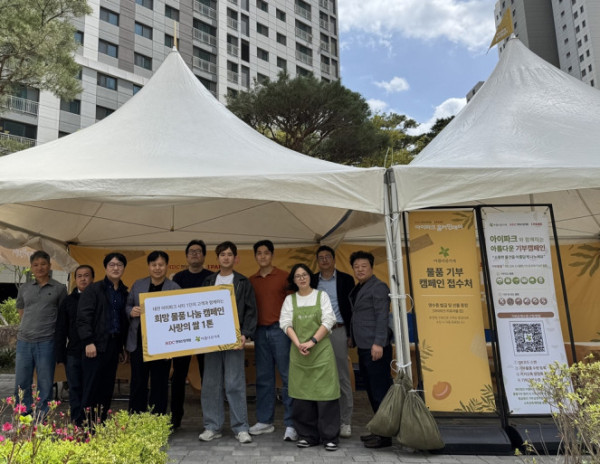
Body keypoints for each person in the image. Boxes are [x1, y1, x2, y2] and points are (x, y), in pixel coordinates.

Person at [199, 241, 257, 444]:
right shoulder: (208, 281)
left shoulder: (242, 282)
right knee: (211, 383)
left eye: (229, 254)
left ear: (235, 258)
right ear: (217, 258)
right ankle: (212, 426)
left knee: (234, 383)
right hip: (211, 339)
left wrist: (245, 334)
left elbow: (250, 310)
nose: (226, 257)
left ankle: (241, 428)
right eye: (222, 254)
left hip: (234, 338)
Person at [279, 263, 340, 452]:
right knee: (302, 396)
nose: (302, 278)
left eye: (304, 274)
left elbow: (329, 320)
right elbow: (285, 323)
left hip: (321, 352)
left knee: (326, 395)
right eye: (297, 276)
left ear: (310, 277)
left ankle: (329, 437)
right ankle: (307, 435)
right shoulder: (290, 299)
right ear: (294, 280)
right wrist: (299, 343)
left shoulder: (321, 296)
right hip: (299, 352)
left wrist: (312, 341)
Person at [248, 240, 296, 441]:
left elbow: (293, 304)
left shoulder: (284, 277)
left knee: (288, 377)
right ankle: (265, 421)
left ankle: (292, 424)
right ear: (255, 256)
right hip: (260, 332)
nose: (262, 256)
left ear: (272, 255)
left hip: (281, 331)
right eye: (259, 253)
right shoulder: (251, 280)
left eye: (266, 253)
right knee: (264, 378)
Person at [126, 251, 180, 415]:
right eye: (154, 265)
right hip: (139, 342)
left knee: (160, 383)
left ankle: (157, 420)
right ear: (149, 266)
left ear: (167, 266)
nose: (157, 268)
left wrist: (172, 347)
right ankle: (136, 418)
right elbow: (127, 305)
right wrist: (131, 311)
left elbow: (179, 317)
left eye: (161, 265)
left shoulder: (174, 288)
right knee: (138, 382)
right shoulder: (138, 284)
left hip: (163, 345)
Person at [348, 250, 393, 449]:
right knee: (372, 390)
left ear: (372, 267)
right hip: (364, 345)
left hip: (375, 347)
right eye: (356, 266)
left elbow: (382, 316)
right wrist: (352, 336)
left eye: (363, 266)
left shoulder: (379, 287)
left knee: (379, 391)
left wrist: (379, 343)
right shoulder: (360, 287)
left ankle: (385, 436)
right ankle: (378, 430)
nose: (360, 270)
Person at [77, 252, 129, 423]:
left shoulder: (124, 292)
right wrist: (88, 341)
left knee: (107, 388)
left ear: (123, 268)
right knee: (91, 388)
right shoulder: (94, 289)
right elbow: (83, 318)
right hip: (95, 346)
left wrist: (122, 347)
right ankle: (84, 426)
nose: (116, 268)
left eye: (119, 265)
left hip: (113, 346)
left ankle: (100, 422)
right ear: (105, 268)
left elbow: (122, 321)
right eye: (112, 265)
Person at [15, 250, 67, 415]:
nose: (40, 267)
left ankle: (43, 415)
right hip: (24, 341)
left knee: (45, 382)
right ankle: (23, 413)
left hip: (47, 342)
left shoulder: (60, 288)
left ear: (49, 266)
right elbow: (21, 309)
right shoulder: (24, 288)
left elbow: (63, 315)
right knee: (22, 381)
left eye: (43, 264)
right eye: (36, 265)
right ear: (31, 267)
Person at [312, 245, 355, 438]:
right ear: (317, 261)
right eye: (320, 257)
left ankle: (345, 421)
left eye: (327, 257)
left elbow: (352, 308)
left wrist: (350, 334)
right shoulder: (312, 280)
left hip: (338, 330)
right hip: (317, 333)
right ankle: (323, 420)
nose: (324, 260)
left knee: (342, 376)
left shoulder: (346, 279)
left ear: (334, 259)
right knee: (319, 376)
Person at [170, 239, 213, 428]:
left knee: (208, 377)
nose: (195, 254)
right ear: (186, 256)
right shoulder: (178, 278)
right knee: (178, 377)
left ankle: (211, 419)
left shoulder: (211, 277)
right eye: (191, 251)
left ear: (204, 256)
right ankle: (175, 417)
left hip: (206, 334)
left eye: (198, 251)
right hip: (183, 335)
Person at [55, 264, 95, 423]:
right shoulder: (68, 301)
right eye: (79, 276)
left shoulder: (99, 298)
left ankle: (90, 422)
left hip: (94, 352)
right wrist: (60, 355)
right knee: (74, 388)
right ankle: (77, 422)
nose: (83, 279)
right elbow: (61, 329)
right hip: (73, 352)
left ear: (93, 278)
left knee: (90, 389)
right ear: (75, 279)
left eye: (86, 275)